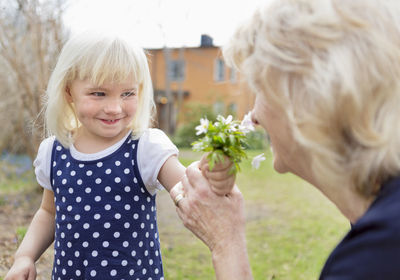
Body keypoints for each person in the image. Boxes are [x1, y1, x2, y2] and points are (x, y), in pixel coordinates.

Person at [170, 0, 400, 279]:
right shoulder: (380, 228)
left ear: (308, 97)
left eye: (260, 88)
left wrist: (226, 243)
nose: (253, 115)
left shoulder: (371, 261)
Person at [5, 31, 234, 280]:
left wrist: (212, 175)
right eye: (99, 93)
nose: (114, 107)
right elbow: (49, 212)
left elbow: (188, 187)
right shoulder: (54, 152)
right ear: (69, 92)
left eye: (127, 93)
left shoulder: (145, 148)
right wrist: (25, 256)